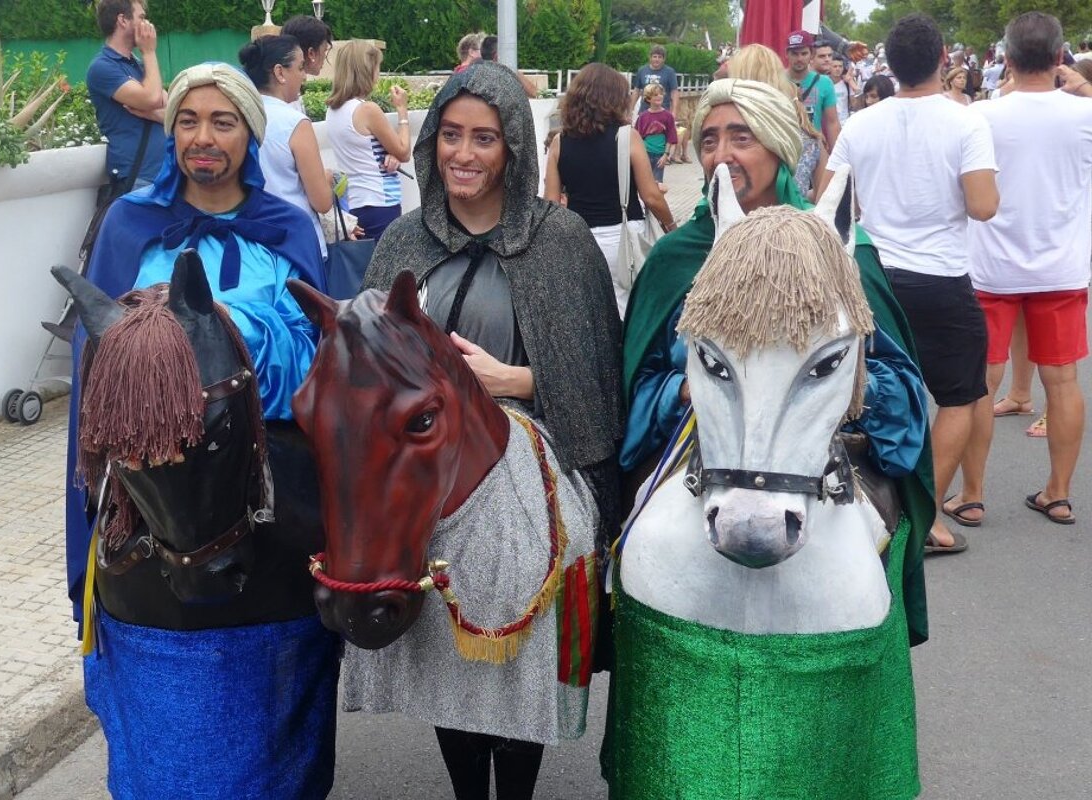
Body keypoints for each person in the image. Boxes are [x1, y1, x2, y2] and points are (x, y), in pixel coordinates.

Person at [354, 61, 623, 799]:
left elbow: (601, 381)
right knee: (446, 651)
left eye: (485, 138)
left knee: (524, 636)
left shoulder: (561, 243)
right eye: (450, 135)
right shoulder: (403, 245)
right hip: (425, 476)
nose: (464, 154)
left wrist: (517, 382)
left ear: (514, 149)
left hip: (532, 462)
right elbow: (362, 371)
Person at [64, 62, 331, 796]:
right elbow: (96, 391)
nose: (203, 138)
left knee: (275, 722)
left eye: (223, 122)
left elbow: (326, 364)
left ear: (250, 134)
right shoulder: (129, 225)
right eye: (188, 120)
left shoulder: (287, 227)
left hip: (271, 503)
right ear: (170, 130)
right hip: (151, 510)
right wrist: (79, 537)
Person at [621, 77, 934, 646]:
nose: (722, 154)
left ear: (779, 146)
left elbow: (900, 385)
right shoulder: (677, 256)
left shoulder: (845, 251)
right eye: (709, 140)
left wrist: (842, 389)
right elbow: (633, 384)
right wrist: (686, 391)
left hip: (823, 464)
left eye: (742, 137)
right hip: (693, 461)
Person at [824, 12, 1000, 555]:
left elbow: (827, 203)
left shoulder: (861, 123)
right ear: (944, 57)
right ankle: (924, 516)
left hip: (874, 273)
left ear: (889, 65)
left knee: (872, 393)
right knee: (961, 396)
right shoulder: (966, 122)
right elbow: (983, 205)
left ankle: (868, 504)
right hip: (942, 276)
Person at [948, 11, 1092, 528]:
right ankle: (1058, 492)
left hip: (990, 266)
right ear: (1059, 58)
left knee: (981, 384)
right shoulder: (1084, 116)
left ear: (1005, 60)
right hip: (1061, 267)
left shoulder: (980, 116)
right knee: (1064, 381)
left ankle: (972, 493)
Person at [544, 63, 676, 316]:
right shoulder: (627, 136)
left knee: (589, 312)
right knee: (627, 309)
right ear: (615, 98)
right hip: (623, 238)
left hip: (578, 239)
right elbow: (650, 196)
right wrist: (671, 227)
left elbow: (550, 204)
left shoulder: (560, 142)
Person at [240, 35, 333, 261]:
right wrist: (327, 179)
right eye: (300, 67)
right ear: (280, 72)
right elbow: (321, 201)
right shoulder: (295, 123)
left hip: (250, 242)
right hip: (296, 244)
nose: (304, 76)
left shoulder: (237, 116)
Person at [324, 41, 410, 242]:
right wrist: (402, 112)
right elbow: (404, 151)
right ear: (367, 70)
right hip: (380, 201)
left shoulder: (333, 110)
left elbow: (364, 148)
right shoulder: (367, 110)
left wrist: (388, 154)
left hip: (354, 202)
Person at [726, 44, 828, 202]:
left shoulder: (730, 132)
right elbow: (824, 196)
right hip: (793, 222)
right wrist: (798, 197)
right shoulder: (807, 132)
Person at [86, 0, 166, 190]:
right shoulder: (102, 67)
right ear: (123, 20)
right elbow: (153, 98)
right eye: (141, 17)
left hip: (164, 173)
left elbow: (171, 107)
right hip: (139, 178)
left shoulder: (136, 64)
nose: (147, 25)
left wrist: (151, 113)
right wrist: (149, 52)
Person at [787, 30, 840, 151]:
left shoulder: (825, 83)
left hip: (815, 151)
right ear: (787, 54)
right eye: (794, 54)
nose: (799, 58)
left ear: (811, 54)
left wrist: (836, 159)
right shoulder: (776, 81)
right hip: (785, 152)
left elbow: (832, 123)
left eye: (804, 53)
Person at [635, 83, 679, 188]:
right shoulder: (643, 117)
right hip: (645, 154)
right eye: (655, 94)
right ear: (648, 99)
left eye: (660, 94)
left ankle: (656, 204)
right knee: (644, 184)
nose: (659, 96)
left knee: (658, 184)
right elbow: (637, 138)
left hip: (660, 155)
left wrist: (666, 155)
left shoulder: (668, 116)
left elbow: (671, 137)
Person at [630, 44, 680, 118]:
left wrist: (674, 112)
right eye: (654, 56)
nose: (657, 59)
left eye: (660, 57)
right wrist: (631, 109)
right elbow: (636, 91)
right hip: (644, 112)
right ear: (650, 58)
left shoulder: (670, 72)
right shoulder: (642, 70)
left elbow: (674, 93)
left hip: (663, 113)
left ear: (664, 59)